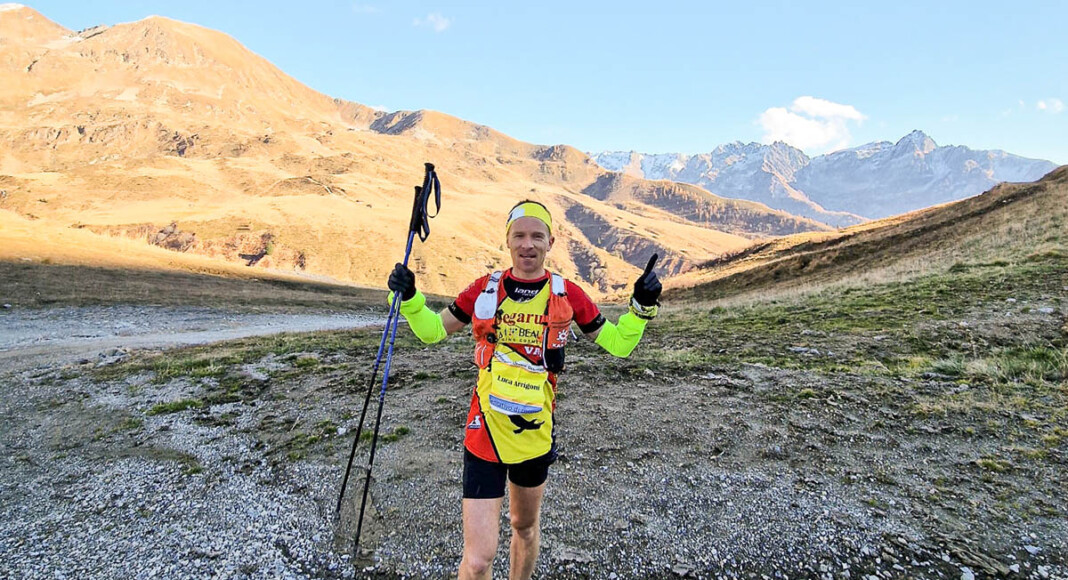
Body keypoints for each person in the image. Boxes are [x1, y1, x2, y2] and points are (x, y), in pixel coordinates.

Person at [386, 200, 661, 580]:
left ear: (551, 241)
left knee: (524, 526)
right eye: (519, 236)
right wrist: (410, 298)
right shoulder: (485, 289)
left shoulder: (568, 293)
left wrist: (642, 306)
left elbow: (619, 344)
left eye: (536, 236)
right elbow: (432, 331)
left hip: (534, 432)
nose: (527, 244)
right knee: (478, 560)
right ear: (508, 240)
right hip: (484, 431)